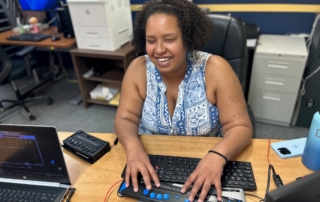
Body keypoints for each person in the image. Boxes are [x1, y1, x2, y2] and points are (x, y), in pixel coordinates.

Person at [114, 0, 253, 201]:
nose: (158, 50)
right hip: (152, 161)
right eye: (151, 40)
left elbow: (240, 126)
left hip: (207, 160)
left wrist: (217, 156)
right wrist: (133, 149)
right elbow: (125, 118)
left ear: (187, 39)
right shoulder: (138, 69)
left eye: (169, 39)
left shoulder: (216, 69)